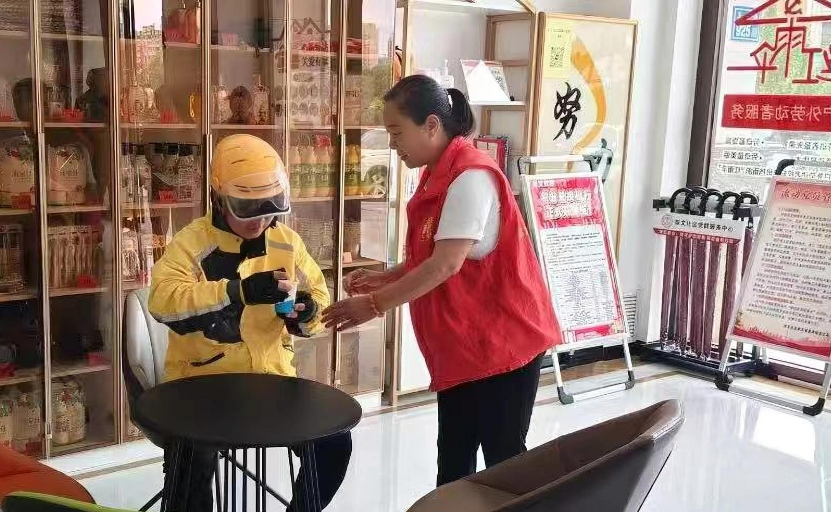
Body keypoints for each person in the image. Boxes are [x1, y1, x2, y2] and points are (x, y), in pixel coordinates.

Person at [322, 75, 561, 486]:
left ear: (431, 125)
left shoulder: (471, 176)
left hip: (503, 343)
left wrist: (375, 304)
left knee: (504, 463)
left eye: (397, 132)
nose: (393, 144)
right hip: (466, 347)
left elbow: (445, 265)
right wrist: (386, 276)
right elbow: (434, 255)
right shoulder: (437, 172)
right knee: (453, 460)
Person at [148, 134, 351, 512]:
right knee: (191, 461)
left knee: (334, 443)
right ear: (218, 198)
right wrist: (236, 292)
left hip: (272, 382)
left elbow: (319, 304)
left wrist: (305, 314)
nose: (260, 220)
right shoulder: (191, 244)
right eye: (247, 208)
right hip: (202, 386)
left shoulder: (287, 242)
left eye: (269, 207)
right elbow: (163, 303)